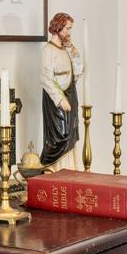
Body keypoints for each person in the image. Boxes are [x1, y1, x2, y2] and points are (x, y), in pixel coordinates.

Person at [39, 12, 83, 171]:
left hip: (70, 93)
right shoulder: (48, 51)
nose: (69, 33)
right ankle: (55, 169)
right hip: (55, 100)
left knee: (70, 132)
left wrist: (71, 48)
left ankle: (70, 169)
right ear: (57, 28)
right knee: (60, 134)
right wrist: (60, 99)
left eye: (70, 29)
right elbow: (46, 79)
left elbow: (79, 68)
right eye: (67, 28)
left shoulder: (66, 49)